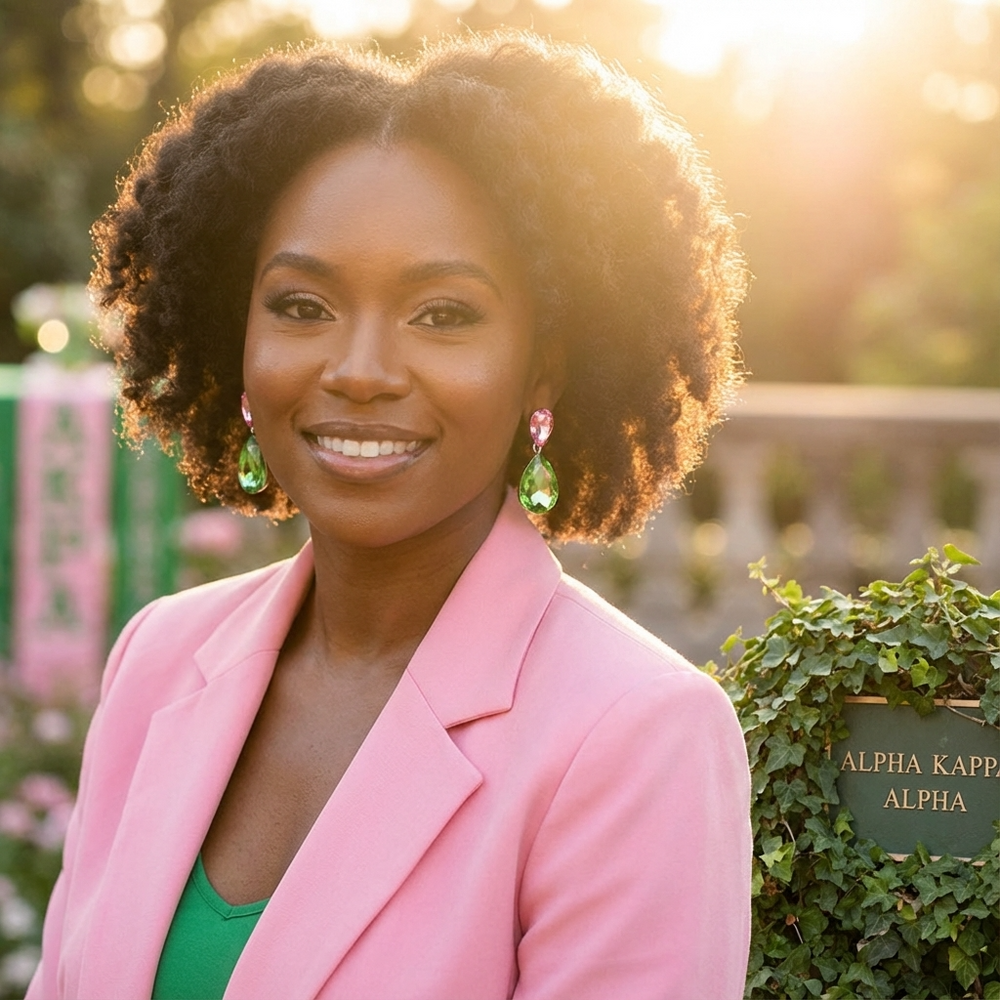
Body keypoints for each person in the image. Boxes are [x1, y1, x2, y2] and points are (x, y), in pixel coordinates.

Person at [27, 29, 752, 1000]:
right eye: (301, 305)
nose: (359, 370)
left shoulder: (633, 735)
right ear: (231, 332)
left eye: (442, 313)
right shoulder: (159, 657)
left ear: (543, 364)